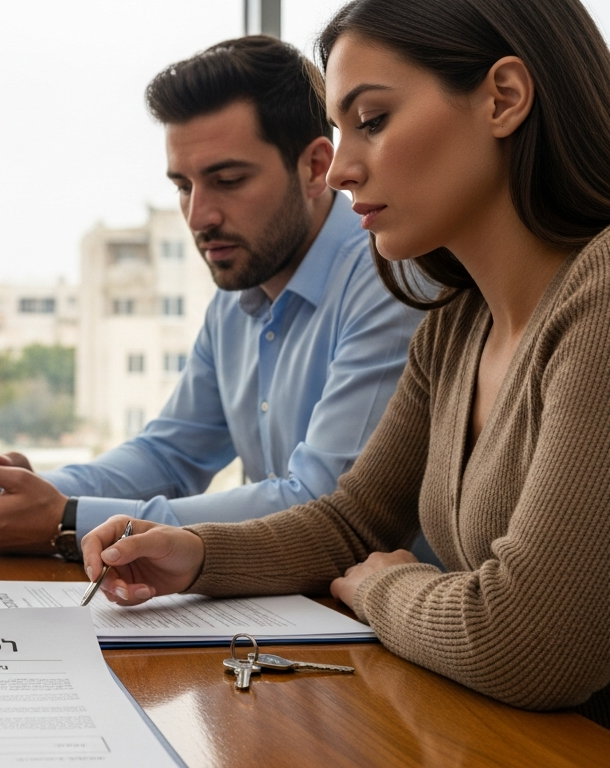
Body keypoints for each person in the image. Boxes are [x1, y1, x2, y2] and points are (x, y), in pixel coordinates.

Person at [81, 0, 610, 725]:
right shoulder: (458, 323)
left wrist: (383, 588)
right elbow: (356, 521)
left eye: (373, 120)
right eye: (341, 130)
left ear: (503, 98)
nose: (340, 171)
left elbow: (532, 644)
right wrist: (197, 555)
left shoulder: (600, 298)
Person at [0, 36, 425, 561]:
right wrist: (34, 488)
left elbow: (322, 503)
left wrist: (68, 518)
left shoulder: (390, 280)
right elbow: (169, 455)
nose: (199, 216)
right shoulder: (238, 295)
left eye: (228, 180)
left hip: (379, 604)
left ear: (316, 167)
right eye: (184, 186)